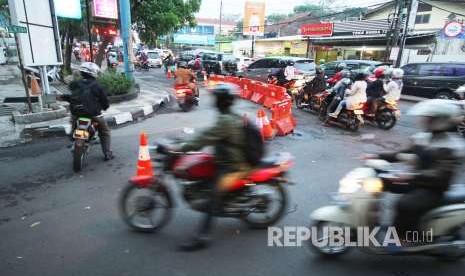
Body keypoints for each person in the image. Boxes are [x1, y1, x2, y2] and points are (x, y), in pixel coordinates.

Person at [364, 99, 465, 242]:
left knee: (405, 204)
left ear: (439, 120)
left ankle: (402, 237)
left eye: (428, 118)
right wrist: (377, 155)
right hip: (417, 180)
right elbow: (402, 153)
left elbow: (439, 175)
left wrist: (409, 177)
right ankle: (373, 218)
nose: (423, 121)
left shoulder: (451, 146)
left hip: (433, 188)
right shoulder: (424, 138)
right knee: (379, 182)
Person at [175, 84, 250, 251]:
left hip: (233, 166)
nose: (215, 101)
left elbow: (205, 138)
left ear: (222, 101)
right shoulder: (227, 115)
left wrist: (182, 147)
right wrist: (184, 142)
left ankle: (202, 236)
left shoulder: (226, 120)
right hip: (224, 160)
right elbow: (207, 133)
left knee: (213, 198)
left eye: (217, 98)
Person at [58, 62, 114, 161]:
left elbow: (72, 96)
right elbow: (104, 101)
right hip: (93, 114)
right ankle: (107, 153)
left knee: (73, 121)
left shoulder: (74, 84)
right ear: (94, 73)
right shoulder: (98, 86)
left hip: (76, 113)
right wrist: (104, 107)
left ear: (82, 72)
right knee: (105, 132)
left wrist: (63, 98)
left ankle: (73, 137)